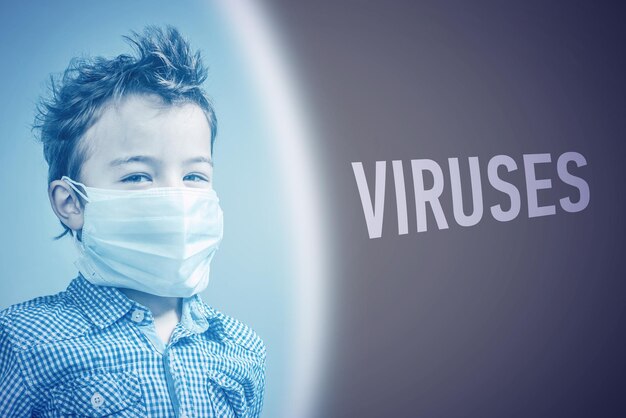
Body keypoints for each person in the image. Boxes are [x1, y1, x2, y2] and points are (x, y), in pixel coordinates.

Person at [0, 26, 265, 417]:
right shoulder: (23, 340)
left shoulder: (242, 349)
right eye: (137, 176)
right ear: (71, 202)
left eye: (194, 176)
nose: (175, 197)